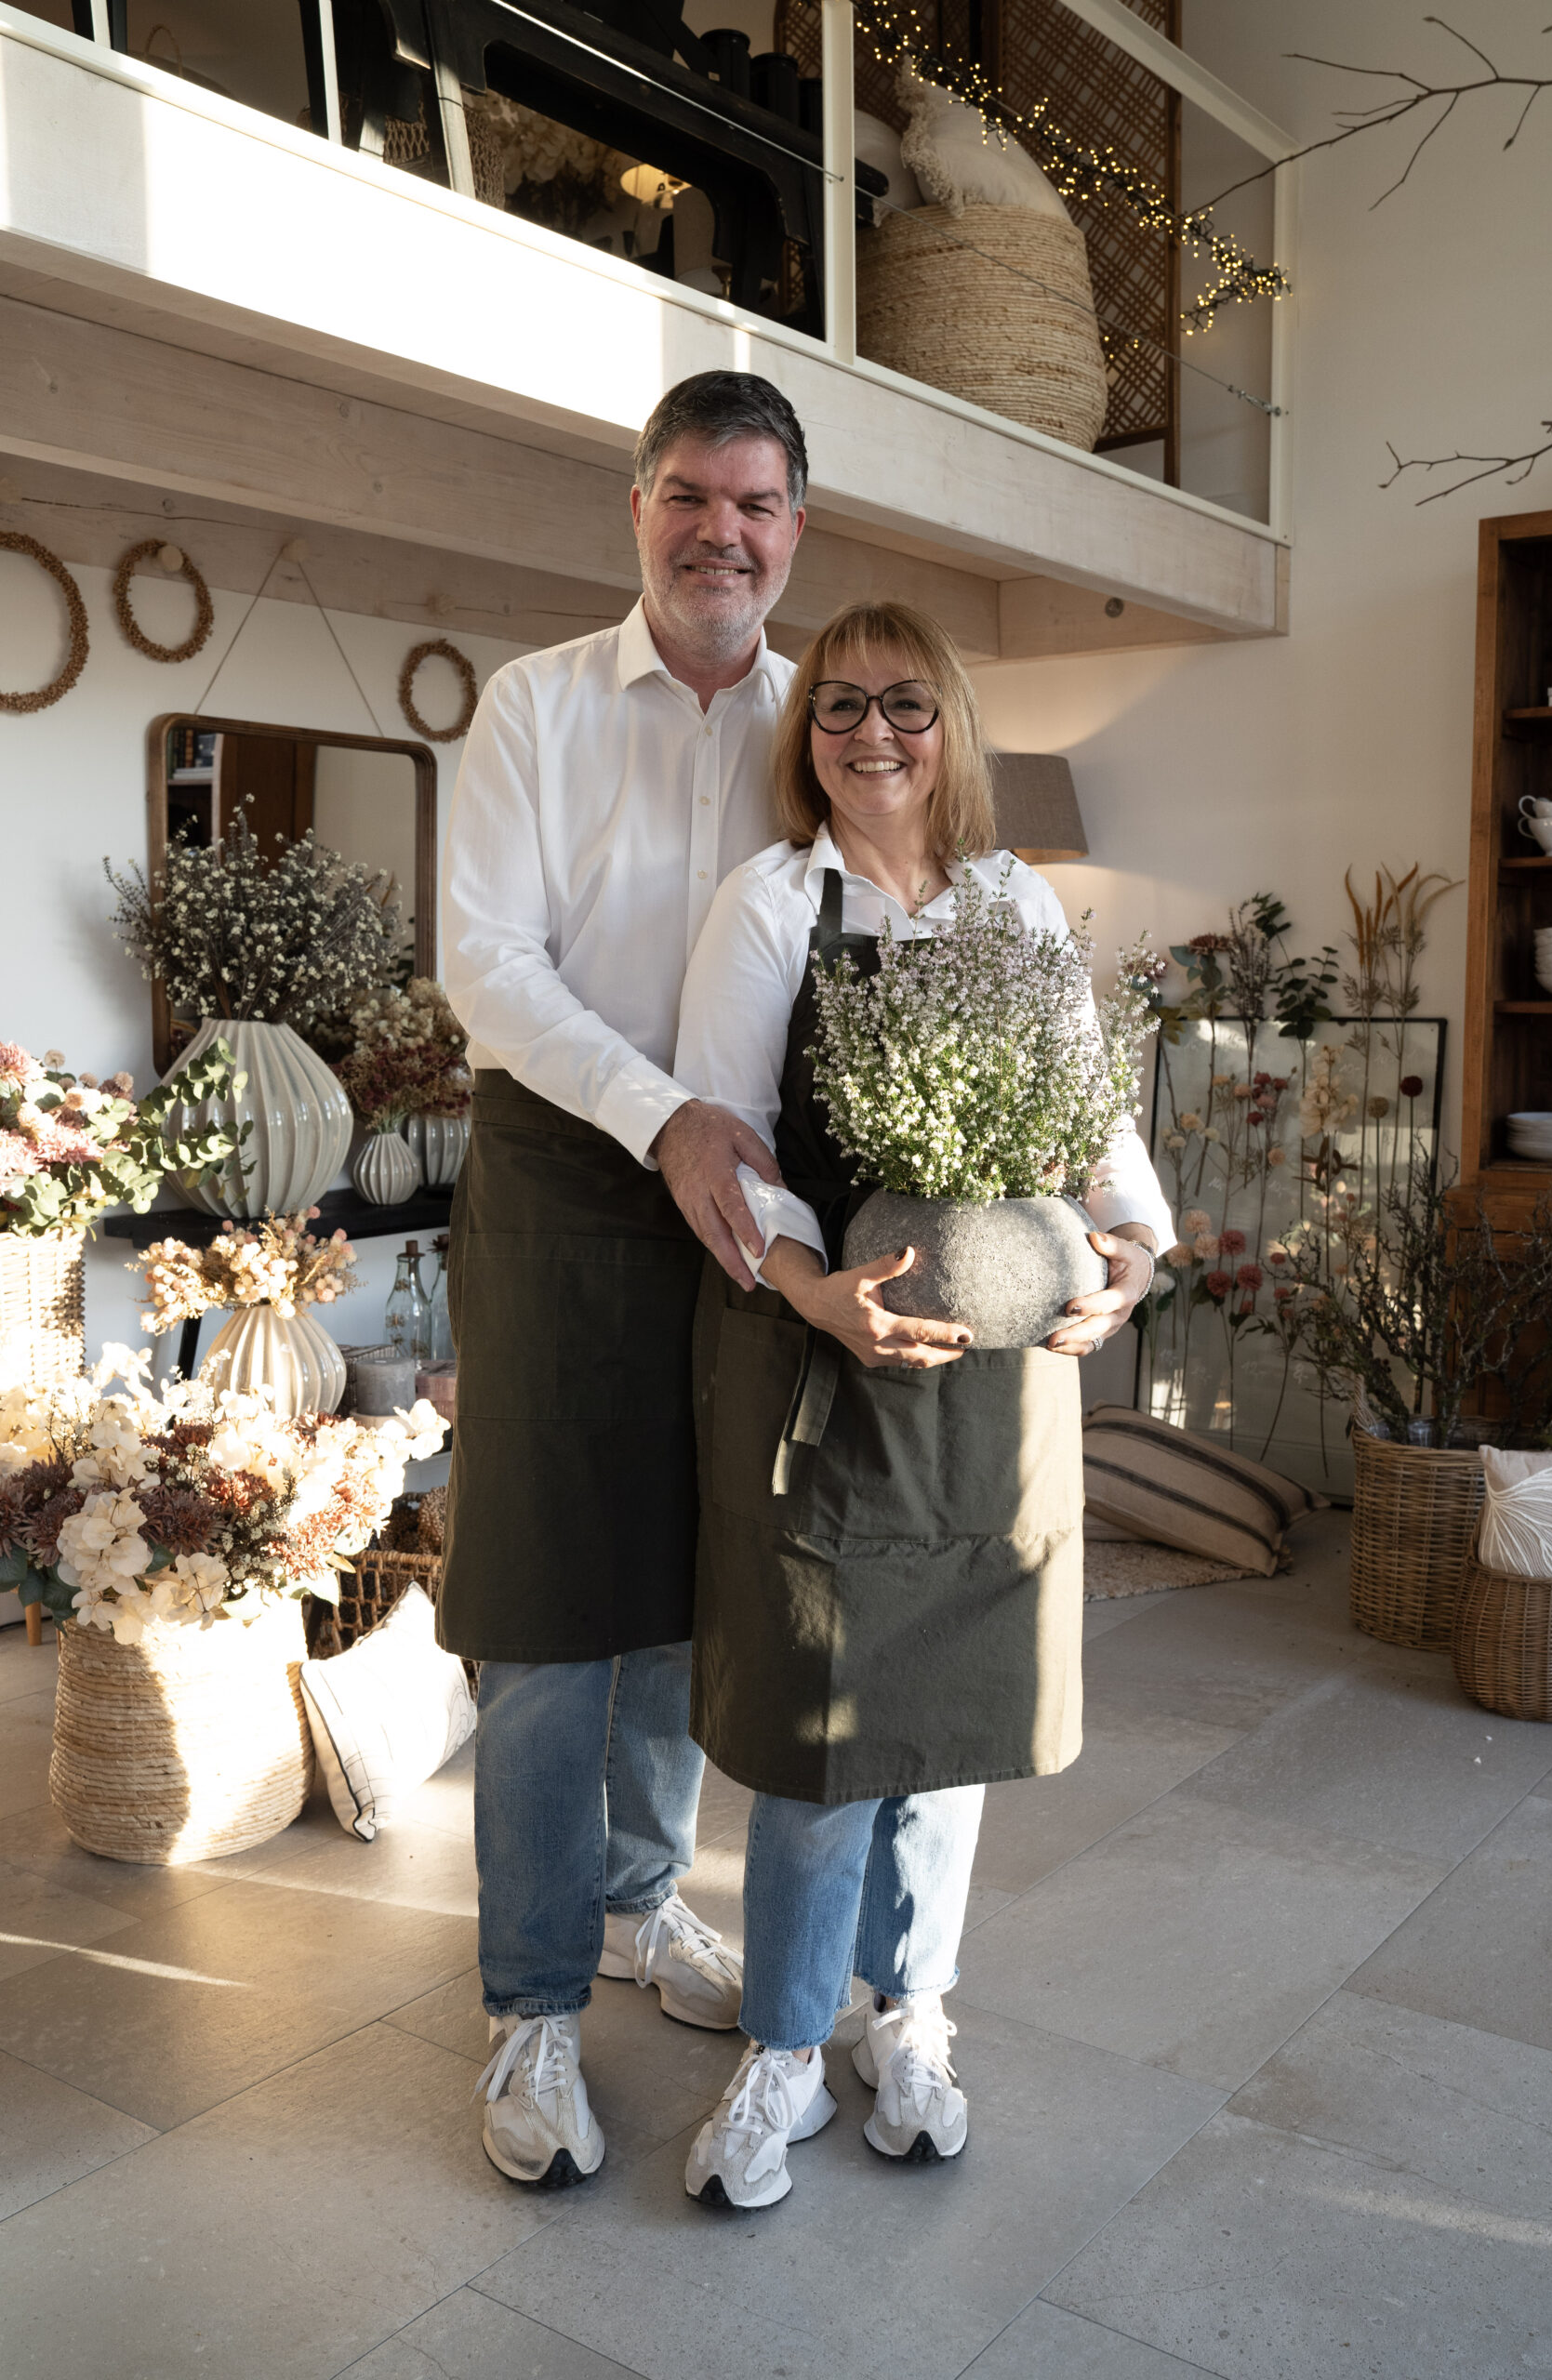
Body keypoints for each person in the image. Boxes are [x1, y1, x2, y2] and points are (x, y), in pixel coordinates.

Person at [437, 375, 955, 2190]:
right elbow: (486, 964)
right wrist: (662, 1115)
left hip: (759, 1191)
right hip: (565, 1175)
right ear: (638, 505)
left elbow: (906, 908)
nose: (719, 532)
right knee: (545, 1607)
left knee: (695, 1575)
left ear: (793, 528)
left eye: (754, 504)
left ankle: (641, 1903)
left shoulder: (825, 722)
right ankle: (527, 2005)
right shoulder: (535, 706)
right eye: (688, 495)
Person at [671, 600, 1174, 2208]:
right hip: (826, 1360)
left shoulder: (1016, 901)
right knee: (820, 1732)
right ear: (805, 734)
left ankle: (912, 2018)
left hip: (995, 1381)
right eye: (838, 706)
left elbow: (1093, 1124)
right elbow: (730, 1143)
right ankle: (782, 2043)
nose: (871, 733)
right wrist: (814, 1288)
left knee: (948, 1726)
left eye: (905, 703)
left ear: (951, 724)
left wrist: (1133, 1250)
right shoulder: (769, 904)